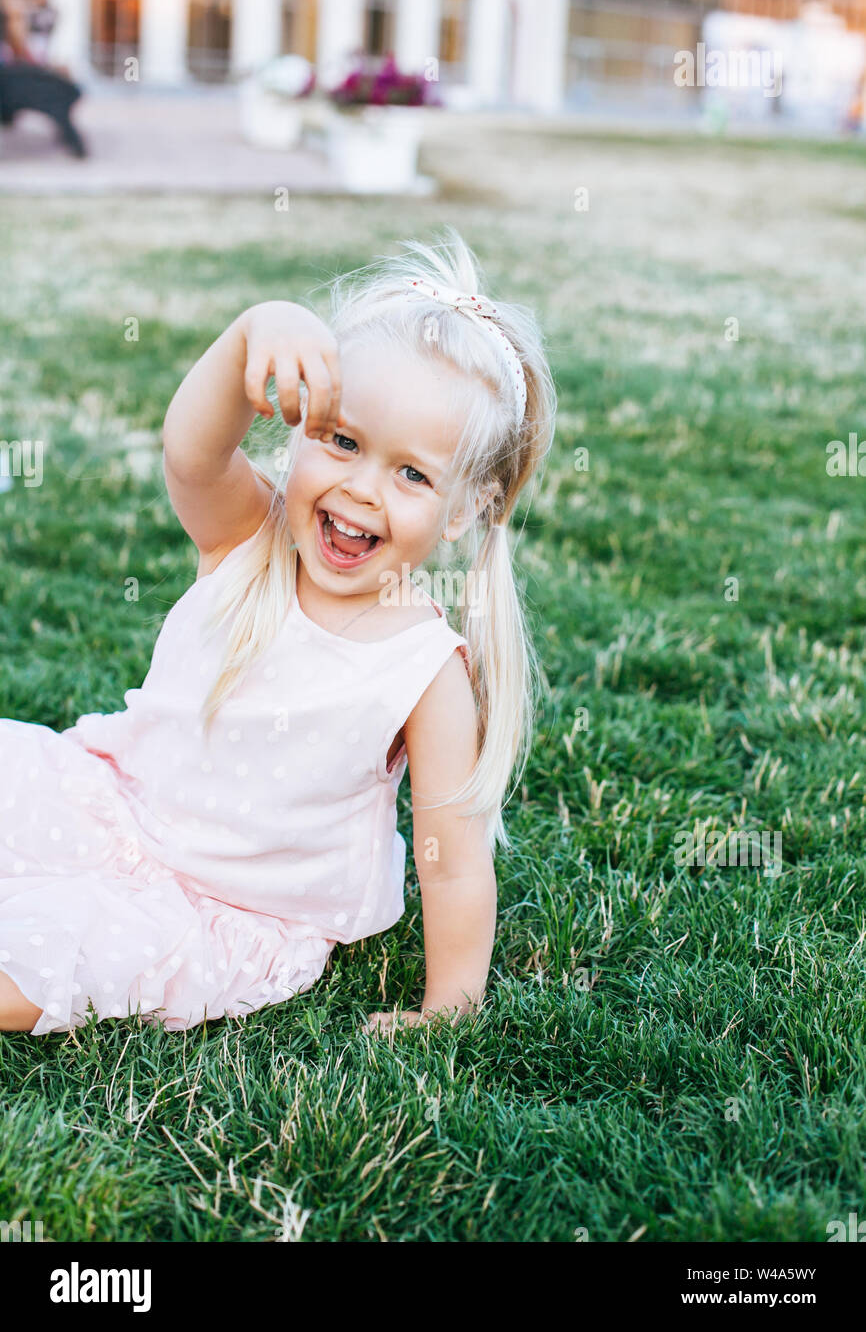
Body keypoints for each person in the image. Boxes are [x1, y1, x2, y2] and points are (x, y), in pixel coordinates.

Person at [0, 229, 556, 1037]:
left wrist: (448, 1010)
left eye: (411, 474)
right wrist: (248, 336)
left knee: (44, 967)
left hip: (222, 906)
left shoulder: (422, 669)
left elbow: (454, 861)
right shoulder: (246, 541)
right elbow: (192, 453)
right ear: (299, 430)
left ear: (464, 508)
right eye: (343, 441)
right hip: (113, 805)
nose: (362, 489)